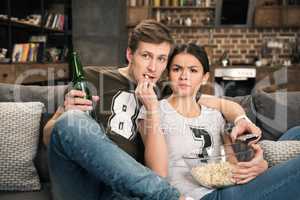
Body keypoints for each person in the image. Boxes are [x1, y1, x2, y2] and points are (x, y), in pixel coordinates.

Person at [44, 20, 260, 200]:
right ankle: (169, 197)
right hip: (84, 185)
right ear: (130, 55)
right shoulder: (92, 77)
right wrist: (64, 110)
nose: (153, 67)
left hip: (129, 192)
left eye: (161, 59)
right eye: (146, 56)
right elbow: (51, 135)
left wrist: (241, 118)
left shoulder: (166, 92)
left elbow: (224, 104)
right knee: (70, 121)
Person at [137, 43, 300, 200]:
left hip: (229, 189)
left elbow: (232, 166)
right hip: (198, 196)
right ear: (168, 74)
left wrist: (257, 167)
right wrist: (152, 110)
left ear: (204, 78)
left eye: (193, 70)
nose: (184, 76)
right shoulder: (154, 110)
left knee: (297, 132)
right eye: (177, 69)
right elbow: (158, 174)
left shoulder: (213, 113)